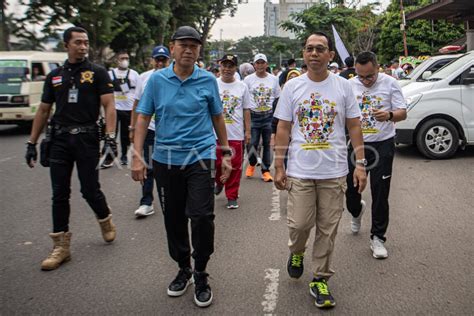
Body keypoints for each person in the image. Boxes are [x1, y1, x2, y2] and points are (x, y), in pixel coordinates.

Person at [131, 26, 232, 308]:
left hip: (200, 158)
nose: (188, 49)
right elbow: (143, 117)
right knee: (173, 219)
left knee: (201, 216)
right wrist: (138, 155)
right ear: (172, 48)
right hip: (165, 160)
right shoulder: (157, 81)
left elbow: (218, 118)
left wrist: (224, 153)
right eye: (183, 44)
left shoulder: (207, 81)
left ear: (199, 50)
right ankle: (183, 268)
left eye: (194, 45)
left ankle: (200, 271)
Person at [273, 32, 367, 309]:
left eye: (320, 49)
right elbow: (283, 127)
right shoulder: (292, 87)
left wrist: (360, 164)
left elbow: (354, 126)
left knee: (327, 229)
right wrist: (279, 165)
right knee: (300, 224)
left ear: (330, 55)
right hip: (301, 171)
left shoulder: (343, 86)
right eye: (309, 49)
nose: (314, 53)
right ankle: (297, 251)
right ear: (304, 54)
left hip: (334, 171)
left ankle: (320, 278)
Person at [25, 26, 117, 271]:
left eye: (85, 42)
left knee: (89, 189)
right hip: (59, 141)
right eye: (78, 42)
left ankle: (104, 218)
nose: (83, 46)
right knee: (59, 193)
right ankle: (61, 246)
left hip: (87, 139)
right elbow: (44, 110)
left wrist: (110, 137)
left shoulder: (97, 73)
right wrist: (31, 143)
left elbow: (109, 106)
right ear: (66, 45)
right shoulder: (54, 76)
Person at [346, 51, 407, 259]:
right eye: (360, 76)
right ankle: (356, 211)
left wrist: (389, 115)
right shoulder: (349, 85)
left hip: (383, 144)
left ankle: (378, 237)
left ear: (377, 67)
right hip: (356, 145)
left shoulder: (390, 83)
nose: (365, 81)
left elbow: (403, 112)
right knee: (351, 190)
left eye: (369, 76)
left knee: (380, 191)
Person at [129, 45, 170, 217]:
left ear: (169, 60)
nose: (160, 63)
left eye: (163, 60)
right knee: (147, 165)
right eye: (157, 59)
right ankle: (146, 201)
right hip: (150, 130)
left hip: (169, 132)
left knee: (168, 168)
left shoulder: (175, 78)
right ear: (152, 60)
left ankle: (171, 198)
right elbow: (137, 105)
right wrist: (132, 128)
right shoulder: (144, 78)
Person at [214, 54, 252, 209]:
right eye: (224, 65)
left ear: (235, 68)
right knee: (216, 163)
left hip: (235, 133)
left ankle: (232, 195)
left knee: (235, 166)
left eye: (231, 66)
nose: (227, 69)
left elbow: (246, 110)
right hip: (215, 133)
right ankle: (219, 181)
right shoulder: (213, 84)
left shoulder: (242, 87)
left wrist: (247, 130)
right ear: (220, 66)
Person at [243, 53, 280, 182]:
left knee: (267, 145)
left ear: (266, 64)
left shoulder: (274, 79)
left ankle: (266, 171)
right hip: (253, 116)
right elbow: (244, 99)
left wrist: (277, 118)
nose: (260, 65)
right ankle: (252, 163)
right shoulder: (248, 80)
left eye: (262, 62)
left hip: (268, 116)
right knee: (252, 143)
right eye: (257, 63)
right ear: (254, 65)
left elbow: (277, 99)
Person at [103, 51, 139, 167]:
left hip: (129, 109)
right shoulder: (109, 74)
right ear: (117, 60)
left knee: (125, 135)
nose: (125, 60)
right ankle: (109, 157)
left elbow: (139, 92)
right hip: (114, 109)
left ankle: (124, 155)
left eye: (127, 58)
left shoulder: (134, 74)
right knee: (111, 134)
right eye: (122, 58)